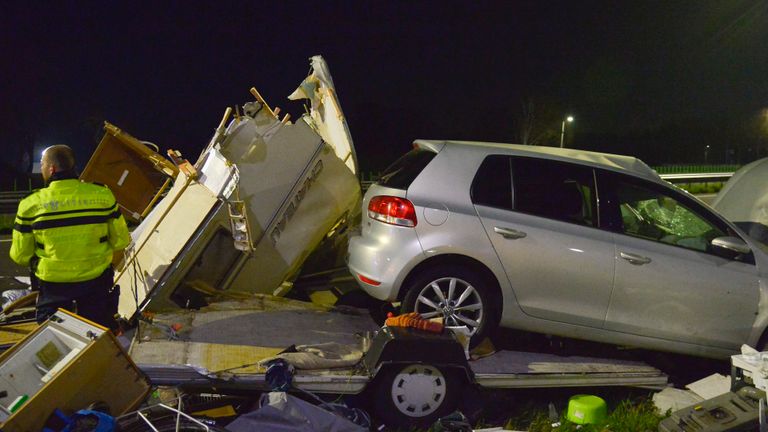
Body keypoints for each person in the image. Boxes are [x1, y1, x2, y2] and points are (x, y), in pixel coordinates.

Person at [10, 145, 130, 330]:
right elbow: (121, 241)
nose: (41, 168)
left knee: (57, 339)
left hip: (53, 286)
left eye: (42, 164)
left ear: (51, 169)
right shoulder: (102, 195)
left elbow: (20, 255)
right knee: (98, 336)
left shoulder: (31, 204)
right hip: (96, 282)